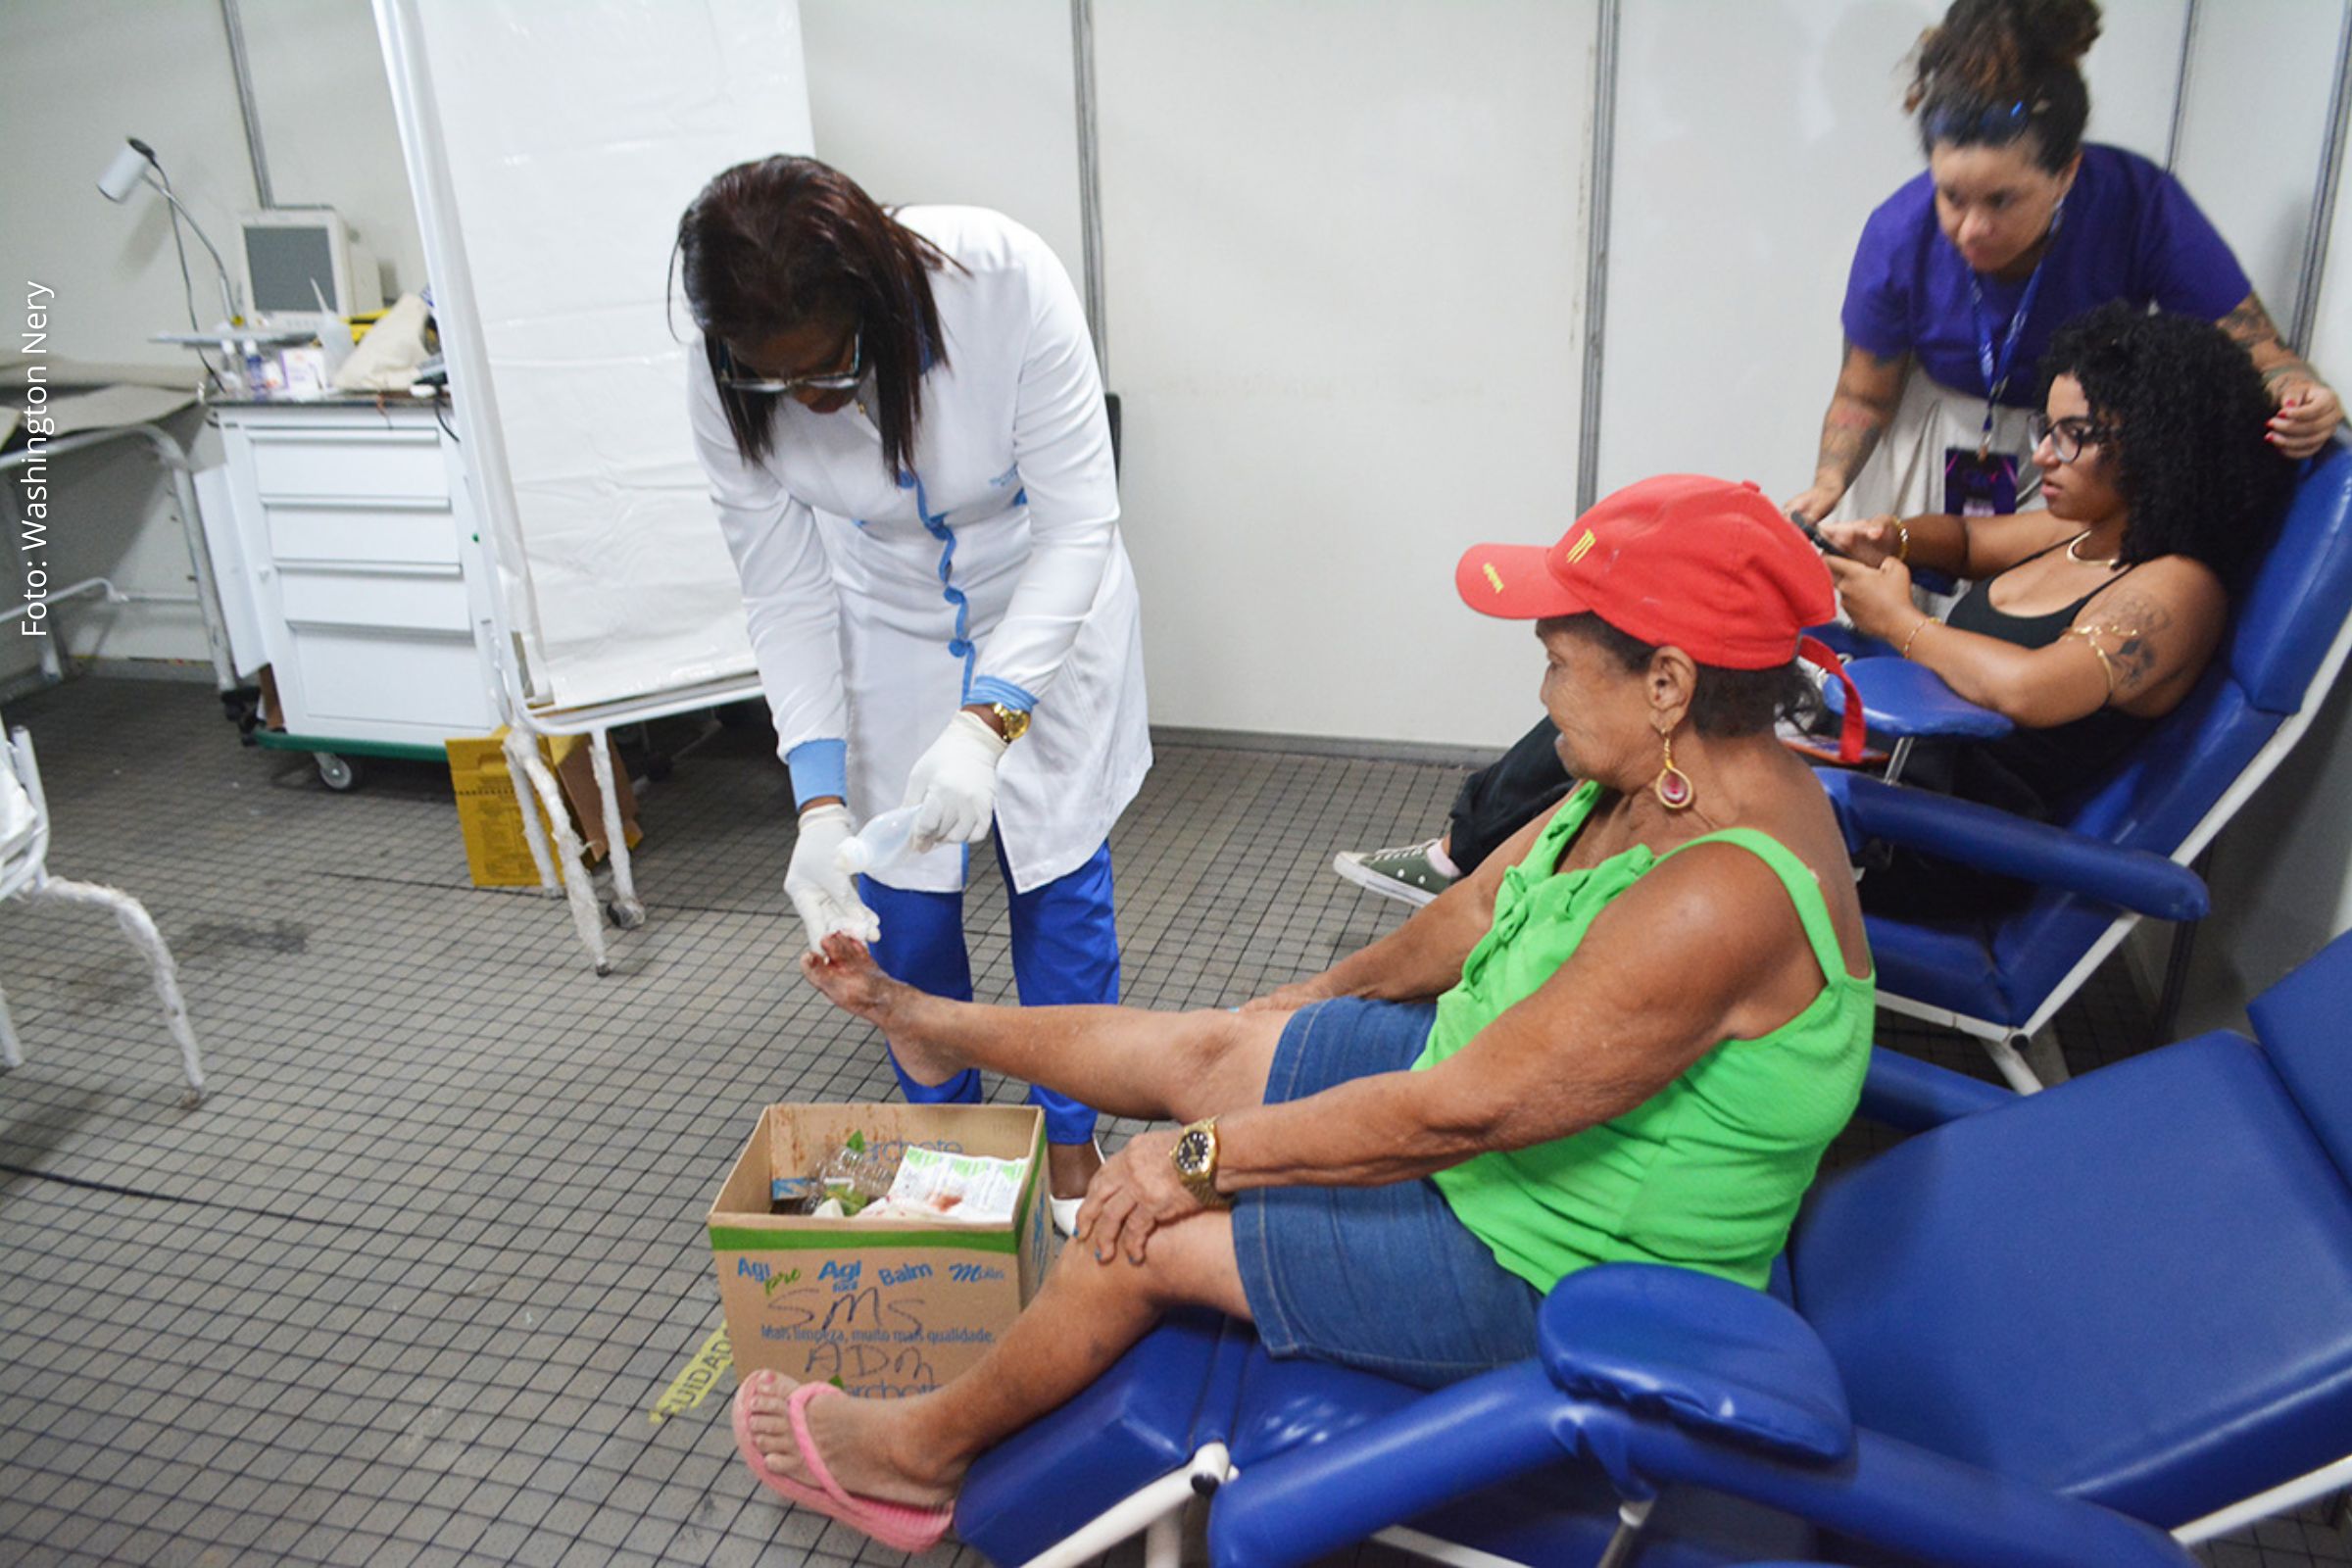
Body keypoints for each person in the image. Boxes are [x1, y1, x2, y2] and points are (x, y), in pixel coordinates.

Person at [725, 476, 1877, 1550]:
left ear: (1669, 682)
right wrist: (1319, 997)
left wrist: (1201, 1159)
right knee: (1223, 1044)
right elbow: (1475, 910)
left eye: (1560, 662)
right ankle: (932, 1019)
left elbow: (1458, 1115)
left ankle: (919, 1455)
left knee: (1143, 1229)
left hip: (1562, 1259)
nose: (1542, 693)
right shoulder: (1645, 776)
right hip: (1507, 1123)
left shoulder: (1723, 894)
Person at [1334, 0, 2338, 909]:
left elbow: (2031, 686)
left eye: (2002, 204)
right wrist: (1864, 519)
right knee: (1675, 661)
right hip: (1909, 694)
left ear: (2066, 176)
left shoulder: (2160, 575)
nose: (1969, 229)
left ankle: (1489, 877)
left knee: (1679, 695)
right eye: (1952, 199)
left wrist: (1898, 620)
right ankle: (1485, 860)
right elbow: (1922, 468)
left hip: (1915, 799)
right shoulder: (2074, 519)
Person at [678, 157, 1150, 1227]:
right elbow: (783, 590)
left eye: (830, 369)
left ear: (876, 304)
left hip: (1042, 596)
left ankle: (1071, 1143)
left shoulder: (1002, 281)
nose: (807, 397)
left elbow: (1082, 525)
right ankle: (950, 1142)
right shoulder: (723, 377)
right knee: (901, 911)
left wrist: (992, 723)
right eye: (774, 380)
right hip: (885, 614)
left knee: (1059, 884)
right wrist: (815, 798)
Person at [1821, 304, 2296, 917]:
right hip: (1895, 778)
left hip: (1935, 843)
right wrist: (1894, 538)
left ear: (2159, 443)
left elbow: (2029, 689)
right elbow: (1969, 543)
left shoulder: (2176, 588)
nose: (2044, 453)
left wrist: (1899, 623)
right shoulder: (2083, 531)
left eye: (2075, 435)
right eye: (2050, 427)